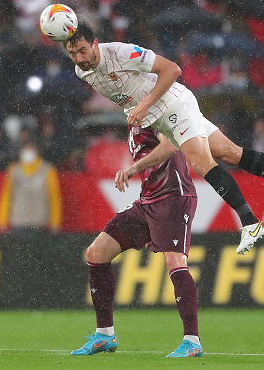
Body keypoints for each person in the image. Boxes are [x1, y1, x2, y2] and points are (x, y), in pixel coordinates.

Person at [64, 23, 264, 254]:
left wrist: (143, 106)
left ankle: (250, 223)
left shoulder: (120, 52)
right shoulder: (81, 72)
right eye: (73, 54)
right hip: (160, 118)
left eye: (83, 50)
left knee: (200, 163)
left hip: (173, 104)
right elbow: (167, 145)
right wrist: (135, 160)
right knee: (231, 153)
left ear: (95, 43)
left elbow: (172, 69)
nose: (80, 58)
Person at [71, 126, 203, 358]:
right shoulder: (134, 119)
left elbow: (171, 145)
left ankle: (192, 341)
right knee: (97, 252)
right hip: (147, 200)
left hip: (173, 197)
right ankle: (104, 335)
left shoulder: (156, 112)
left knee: (174, 259)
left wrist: (133, 168)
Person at [0, 141, 62, 235]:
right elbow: (7, 196)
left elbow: (54, 197)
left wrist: (55, 221)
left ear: (37, 150)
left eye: (31, 149)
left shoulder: (48, 170)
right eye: (26, 149)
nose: (28, 152)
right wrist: (2, 220)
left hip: (39, 222)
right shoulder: (14, 170)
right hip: (19, 221)